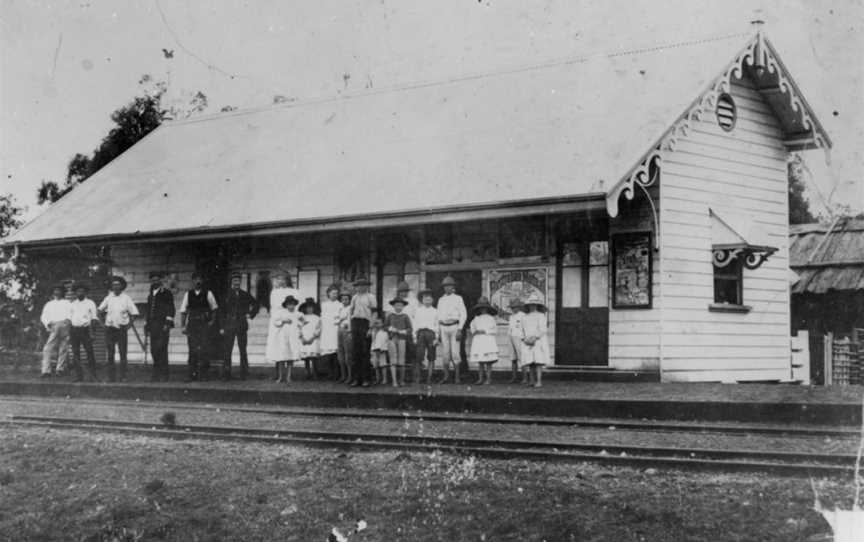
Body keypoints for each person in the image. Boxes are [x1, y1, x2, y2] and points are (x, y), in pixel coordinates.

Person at [98, 276, 139, 382]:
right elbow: (99, 311)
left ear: (121, 286)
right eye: (114, 285)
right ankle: (111, 377)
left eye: (118, 285)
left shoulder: (126, 298)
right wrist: (103, 324)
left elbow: (134, 313)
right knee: (110, 354)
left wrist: (129, 325)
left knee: (122, 353)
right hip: (110, 329)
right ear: (111, 286)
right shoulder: (108, 298)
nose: (116, 287)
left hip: (121, 329)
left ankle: (123, 376)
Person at [179, 272, 218, 382]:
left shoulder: (208, 293)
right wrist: (183, 326)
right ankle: (192, 374)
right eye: (196, 279)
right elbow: (183, 311)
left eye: (200, 279)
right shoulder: (188, 294)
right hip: (192, 325)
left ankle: (204, 374)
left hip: (204, 324)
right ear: (192, 281)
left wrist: (211, 322)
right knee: (192, 349)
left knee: (204, 349)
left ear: (203, 281)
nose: (198, 281)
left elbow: (214, 309)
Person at [218, 273, 258, 381]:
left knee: (243, 349)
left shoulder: (245, 294)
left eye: (238, 281)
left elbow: (256, 304)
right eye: (234, 281)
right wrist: (221, 327)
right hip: (229, 325)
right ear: (231, 282)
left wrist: (250, 314)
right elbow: (221, 312)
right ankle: (226, 373)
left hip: (241, 324)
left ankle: (244, 373)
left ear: (240, 282)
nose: (236, 283)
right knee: (227, 350)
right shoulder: (226, 295)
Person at [265, 273, 301, 381]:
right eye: (279, 279)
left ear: (288, 280)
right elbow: (272, 308)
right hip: (277, 320)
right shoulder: (274, 292)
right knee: (277, 346)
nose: (281, 281)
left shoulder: (294, 291)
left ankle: (289, 375)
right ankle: (278, 374)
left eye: (284, 279)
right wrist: (276, 320)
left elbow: (296, 307)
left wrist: (291, 318)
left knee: (289, 346)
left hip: (290, 319)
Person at [145, 271, 175, 382]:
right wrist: (147, 326)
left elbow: (171, 309)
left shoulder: (166, 293)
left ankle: (164, 374)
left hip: (162, 325)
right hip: (153, 326)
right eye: (153, 280)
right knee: (154, 350)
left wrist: (167, 324)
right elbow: (149, 312)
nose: (155, 281)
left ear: (160, 280)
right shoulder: (150, 295)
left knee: (162, 349)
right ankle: (156, 373)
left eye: (157, 279)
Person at [436, 275, 466, 384]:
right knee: (445, 353)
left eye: (449, 286)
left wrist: (460, 329)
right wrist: (438, 331)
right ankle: (446, 377)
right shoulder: (441, 300)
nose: (447, 288)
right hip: (443, 327)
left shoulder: (458, 298)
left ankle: (457, 377)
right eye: (445, 286)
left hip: (454, 326)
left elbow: (463, 314)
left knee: (455, 353)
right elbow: (438, 316)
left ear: (453, 287)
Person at [349, 276, 376, 387]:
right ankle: (356, 379)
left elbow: (374, 313)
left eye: (363, 286)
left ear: (366, 287)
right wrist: (351, 328)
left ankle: (366, 379)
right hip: (356, 323)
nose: (360, 288)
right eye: (358, 286)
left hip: (366, 324)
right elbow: (350, 313)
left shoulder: (371, 297)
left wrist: (371, 328)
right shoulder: (354, 297)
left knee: (365, 352)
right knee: (356, 352)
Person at [40, 285, 72, 378]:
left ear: (62, 292)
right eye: (55, 290)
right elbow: (43, 316)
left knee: (63, 348)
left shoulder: (67, 303)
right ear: (53, 292)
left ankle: (60, 369)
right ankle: (46, 370)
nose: (57, 292)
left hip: (64, 325)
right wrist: (48, 323)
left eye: (59, 290)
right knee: (47, 348)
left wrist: (68, 320)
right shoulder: (49, 304)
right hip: (54, 326)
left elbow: (71, 313)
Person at [69, 283, 98, 382]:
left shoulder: (90, 303)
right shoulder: (72, 304)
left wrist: (92, 333)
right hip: (74, 330)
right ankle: (79, 376)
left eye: (82, 291)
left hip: (85, 330)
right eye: (78, 291)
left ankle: (92, 376)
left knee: (90, 352)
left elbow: (94, 318)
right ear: (75, 293)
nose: (80, 293)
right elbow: (69, 319)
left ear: (85, 292)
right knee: (76, 354)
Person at [520, 294, 550, 388]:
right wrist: (524, 338)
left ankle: (539, 381)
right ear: (528, 306)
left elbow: (543, 329)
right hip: (527, 341)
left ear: (537, 305)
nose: (532, 306)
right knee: (530, 362)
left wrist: (535, 338)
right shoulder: (524, 317)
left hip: (538, 341)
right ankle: (532, 380)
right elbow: (521, 330)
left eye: (534, 304)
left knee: (538, 361)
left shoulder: (541, 316)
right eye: (531, 304)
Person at [272, 295, 301, 384]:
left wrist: (299, 327)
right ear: (286, 305)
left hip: (292, 338)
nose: (291, 306)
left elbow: (303, 322)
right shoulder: (281, 313)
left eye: (292, 304)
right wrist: (283, 321)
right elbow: (275, 322)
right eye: (289, 304)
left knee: (290, 358)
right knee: (281, 358)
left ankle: (288, 376)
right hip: (282, 337)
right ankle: (281, 376)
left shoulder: (297, 314)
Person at [470, 296, 499, 385]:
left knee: (488, 361)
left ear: (487, 308)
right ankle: (480, 379)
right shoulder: (476, 319)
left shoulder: (491, 318)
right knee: (481, 361)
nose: (483, 310)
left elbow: (495, 330)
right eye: (481, 308)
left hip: (488, 340)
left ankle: (488, 379)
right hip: (478, 340)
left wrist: (486, 331)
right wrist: (475, 331)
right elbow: (472, 327)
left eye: (485, 308)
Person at [386, 297, 413, 387]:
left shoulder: (405, 316)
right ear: (393, 306)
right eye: (397, 305)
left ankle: (401, 380)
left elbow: (410, 329)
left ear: (403, 306)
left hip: (402, 339)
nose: (398, 307)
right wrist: (390, 328)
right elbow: (385, 327)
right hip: (392, 339)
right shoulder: (390, 316)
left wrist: (402, 331)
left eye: (400, 305)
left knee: (401, 360)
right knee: (393, 359)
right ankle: (394, 381)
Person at [413, 289, 438, 384]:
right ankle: (418, 378)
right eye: (425, 297)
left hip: (431, 334)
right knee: (419, 356)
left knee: (431, 356)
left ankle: (429, 378)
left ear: (432, 300)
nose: (427, 299)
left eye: (429, 297)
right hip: (420, 333)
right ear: (422, 299)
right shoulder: (418, 311)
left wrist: (436, 337)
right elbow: (415, 324)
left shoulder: (436, 311)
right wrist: (415, 337)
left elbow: (437, 325)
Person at [319, 285, 342, 380]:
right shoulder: (324, 304)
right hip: (327, 330)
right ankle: (330, 372)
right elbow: (323, 317)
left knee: (336, 351)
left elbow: (340, 317)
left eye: (336, 293)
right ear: (328, 294)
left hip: (336, 328)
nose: (335, 295)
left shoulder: (340, 305)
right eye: (333, 293)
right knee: (328, 352)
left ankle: (337, 373)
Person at [298, 297, 321, 380]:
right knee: (306, 358)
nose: (309, 309)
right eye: (308, 307)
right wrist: (302, 338)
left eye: (311, 307)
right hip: (305, 339)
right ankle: (307, 372)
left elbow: (319, 328)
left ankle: (315, 373)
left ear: (314, 308)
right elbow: (298, 328)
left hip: (313, 339)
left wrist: (313, 337)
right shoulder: (302, 317)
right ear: (305, 308)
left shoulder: (317, 318)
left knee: (313, 357)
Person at [336, 287, 353, 383]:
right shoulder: (341, 308)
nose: (344, 301)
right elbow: (338, 320)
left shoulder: (351, 308)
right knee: (341, 353)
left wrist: (350, 331)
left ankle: (350, 376)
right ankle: (343, 375)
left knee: (348, 354)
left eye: (346, 299)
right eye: (343, 299)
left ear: (349, 300)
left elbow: (350, 321)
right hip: (340, 330)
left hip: (347, 330)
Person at [507, 298, 525, 384]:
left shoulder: (523, 316)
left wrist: (523, 337)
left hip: (519, 337)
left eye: (515, 307)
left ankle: (525, 378)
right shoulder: (511, 317)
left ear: (519, 307)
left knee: (522, 358)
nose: (514, 309)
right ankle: (514, 377)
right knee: (513, 358)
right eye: (512, 307)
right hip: (511, 337)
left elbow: (525, 328)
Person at [368, 313, 390, 386]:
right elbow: (371, 339)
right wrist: (371, 328)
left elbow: (385, 341)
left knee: (383, 365)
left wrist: (383, 349)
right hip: (374, 350)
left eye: (378, 323)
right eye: (375, 323)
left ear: (382, 324)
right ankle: (378, 379)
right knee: (376, 365)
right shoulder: (373, 331)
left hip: (381, 350)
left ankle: (384, 379)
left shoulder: (384, 332)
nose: (377, 325)